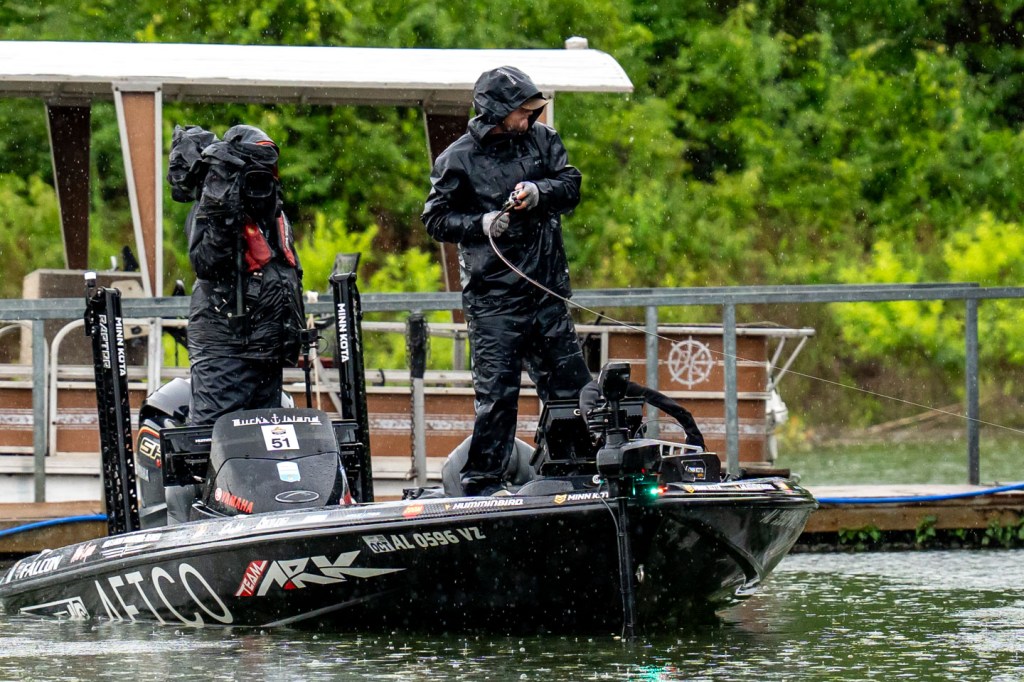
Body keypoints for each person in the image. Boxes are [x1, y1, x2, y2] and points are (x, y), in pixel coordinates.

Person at [422, 66, 593, 496]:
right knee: (497, 397)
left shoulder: (544, 140)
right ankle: (482, 484)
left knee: (571, 390)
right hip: (493, 300)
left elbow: (570, 185)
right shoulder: (457, 158)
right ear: (497, 110)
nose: (530, 117)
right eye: (523, 111)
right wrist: (480, 224)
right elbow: (436, 219)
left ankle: (575, 471)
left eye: (534, 110)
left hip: (546, 293)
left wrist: (538, 192)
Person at [167, 124, 305, 426]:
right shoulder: (211, 206)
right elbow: (207, 263)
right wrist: (222, 207)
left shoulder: (273, 213)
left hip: (266, 350)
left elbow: (287, 272)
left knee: (264, 441)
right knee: (212, 437)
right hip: (226, 348)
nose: (264, 178)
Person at [578, 378, 706, 451]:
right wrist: (593, 424)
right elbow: (588, 403)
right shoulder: (591, 389)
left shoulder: (615, 385)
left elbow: (653, 397)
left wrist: (693, 437)